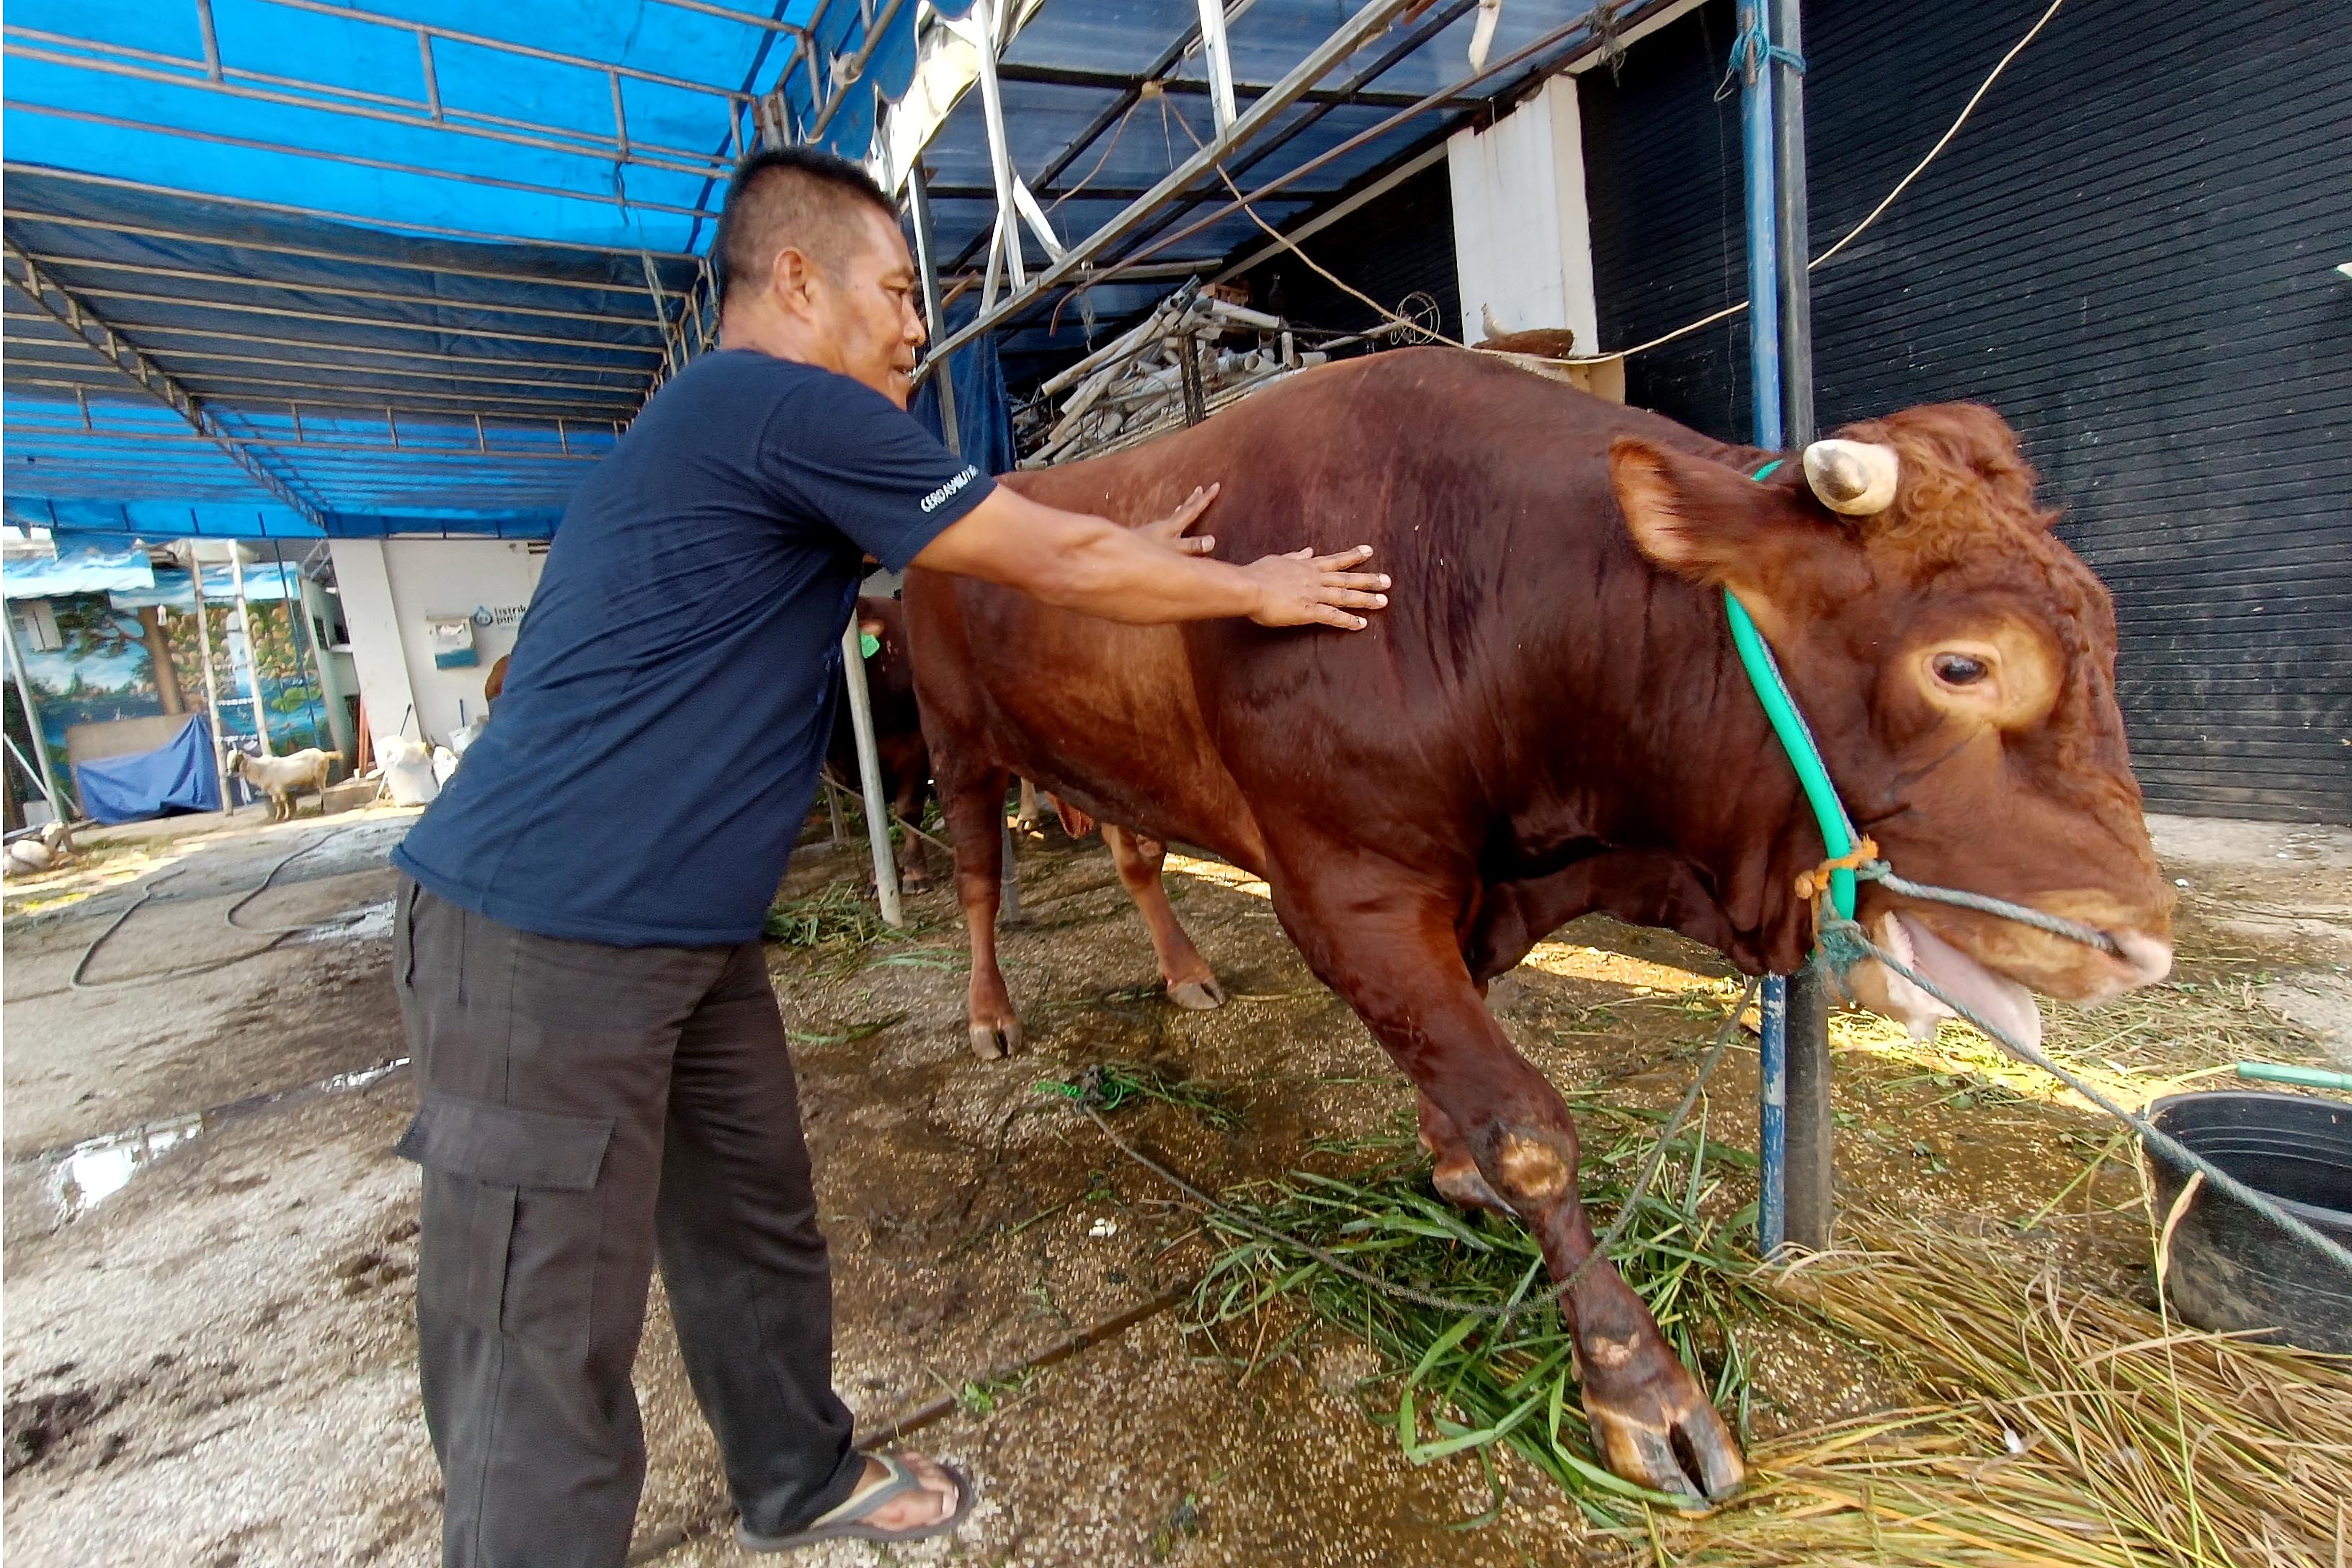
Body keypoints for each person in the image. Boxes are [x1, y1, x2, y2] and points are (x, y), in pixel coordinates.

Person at [386, 143, 1392, 1567]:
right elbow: (1039, 558)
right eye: (901, 290)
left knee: (751, 1223)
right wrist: (1248, 584)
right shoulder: (778, 401)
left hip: (684, 929)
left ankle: (797, 1477)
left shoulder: (733, 432)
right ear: (794, 281)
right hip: (539, 935)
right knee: (534, 1338)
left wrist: (1125, 540)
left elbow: (995, 552)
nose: (922, 326)